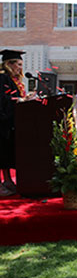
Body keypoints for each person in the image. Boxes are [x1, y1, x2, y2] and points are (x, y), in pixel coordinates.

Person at [0, 49, 28, 196]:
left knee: (6, 153)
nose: (20, 67)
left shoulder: (13, 80)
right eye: (17, 64)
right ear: (8, 64)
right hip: (3, 122)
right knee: (2, 152)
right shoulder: (2, 78)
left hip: (11, 122)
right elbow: (2, 99)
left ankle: (7, 180)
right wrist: (18, 100)